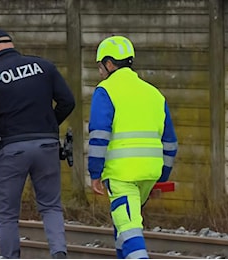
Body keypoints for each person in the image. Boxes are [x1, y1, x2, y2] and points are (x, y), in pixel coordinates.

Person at [0, 29, 75, 259]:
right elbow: (68, 101)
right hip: (47, 146)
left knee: (7, 214)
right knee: (51, 205)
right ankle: (59, 253)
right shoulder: (44, 66)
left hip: (12, 149)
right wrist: (48, 126)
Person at [88, 35, 178, 259]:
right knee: (123, 225)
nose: (100, 72)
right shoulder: (154, 93)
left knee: (128, 228)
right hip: (149, 173)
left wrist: (95, 173)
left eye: (100, 66)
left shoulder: (105, 91)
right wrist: (162, 175)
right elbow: (170, 143)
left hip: (121, 175)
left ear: (109, 64)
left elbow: (99, 136)